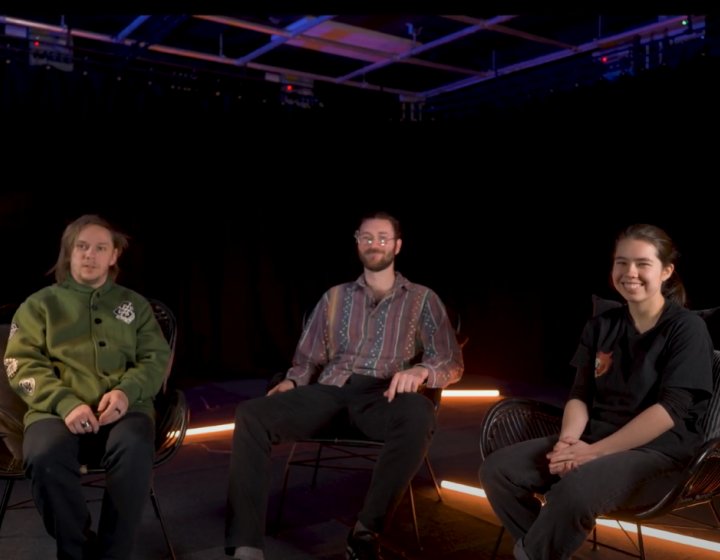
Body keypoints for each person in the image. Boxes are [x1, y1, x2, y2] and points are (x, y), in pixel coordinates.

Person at [225, 211, 464, 560]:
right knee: (251, 414)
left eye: (383, 237)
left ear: (397, 245)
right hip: (331, 391)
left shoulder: (423, 299)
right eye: (366, 237)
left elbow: (450, 360)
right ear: (357, 242)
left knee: (419, 414)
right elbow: (307, 359)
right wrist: (293, 381)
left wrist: (423, 371)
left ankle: (366, 531)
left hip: (384, 396)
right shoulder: (334, 297)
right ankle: (246, 545)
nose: (374, 244)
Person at [479, 223, 715, 560]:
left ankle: (529, 554)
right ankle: (541, 551)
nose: (629, 272)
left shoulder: (686, 329)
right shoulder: (601, 326)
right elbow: (580, 393)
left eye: (642, 263)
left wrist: (592, 453)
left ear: (666, 271)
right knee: (497, 471)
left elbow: (670, 410)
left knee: (573, 491)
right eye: (621, 262)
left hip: (658, 454)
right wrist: (568, 442)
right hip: (594, 439)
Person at [3, 214, 171, 560]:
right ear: (69, 253)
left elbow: (155, 359)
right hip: (55, 412)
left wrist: (127, 391)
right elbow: (20, 364)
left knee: (136, 446)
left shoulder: (136, 307)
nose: (89, 255)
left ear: (113, 256)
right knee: (44, 455)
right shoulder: (39, 305)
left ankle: (113, 554)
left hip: (126, 410)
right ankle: (77, 550)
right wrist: (65, 403)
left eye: (99, 248)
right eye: (81, 247)